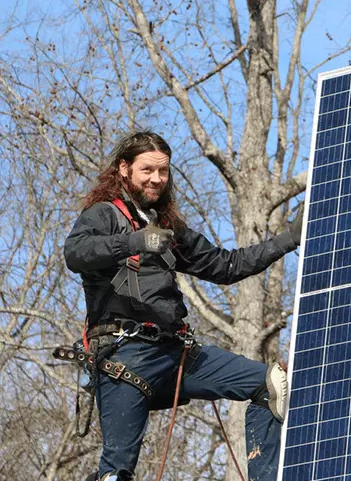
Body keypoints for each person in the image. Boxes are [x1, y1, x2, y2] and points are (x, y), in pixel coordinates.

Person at [64, 131, 302, 481]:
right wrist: (134, 241)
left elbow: (226, 266)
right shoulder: (104, 215)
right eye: (147, 170)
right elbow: (76, 253)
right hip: (125, 356)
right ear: (124, 168)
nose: (157, 179)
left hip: (176, 354)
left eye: (163, 171)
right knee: (116, 474)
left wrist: (289, 239)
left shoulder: (167, 227)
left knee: (271, 385)